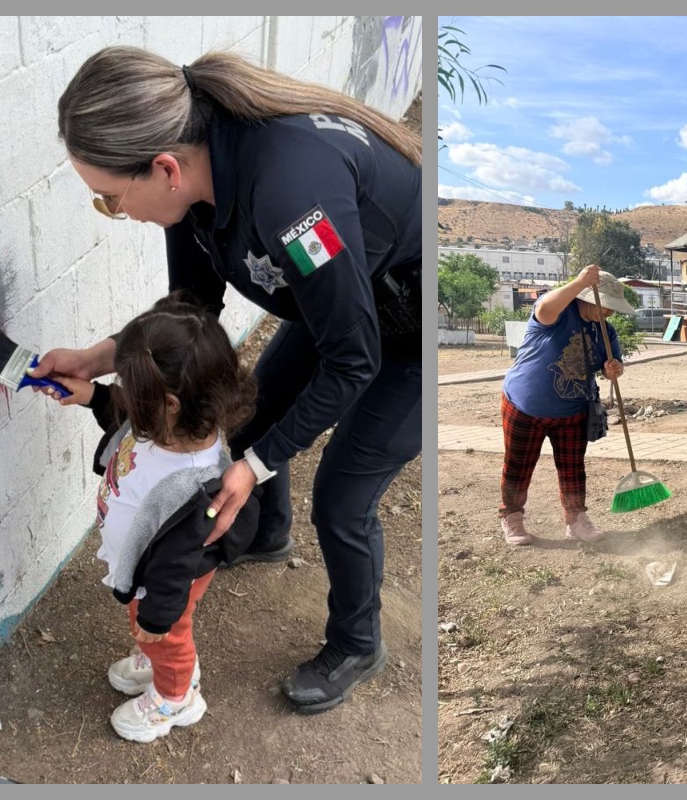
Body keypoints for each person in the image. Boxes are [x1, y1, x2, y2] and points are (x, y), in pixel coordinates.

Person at [30, 45, 422, 714]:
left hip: (413, 330)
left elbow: (352, 357)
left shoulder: (293, 198)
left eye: (110, 199)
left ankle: (358, 642)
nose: (115, 211)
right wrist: (100, 359)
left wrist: (257, 466)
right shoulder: (195, 183)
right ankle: (267, 536)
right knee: (246, 421)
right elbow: (191, 312)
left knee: (341, 495)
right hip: (339, 310)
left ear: (163, 168)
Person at [47, 295, 261, 743]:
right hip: (147, 568)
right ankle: (157, 660)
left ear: (167, 404)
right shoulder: (171, 426)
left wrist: (158, 620)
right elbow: (122, 414)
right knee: (150, 629)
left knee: (166, 635)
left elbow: (176, 567)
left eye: (130, 387)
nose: (122, 392)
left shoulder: (192, 488)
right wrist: (85, 393)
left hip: (164, 583)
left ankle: (175, 696)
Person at [498, 265, 630, 545]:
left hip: (572, 410)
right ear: (586, 297)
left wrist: (613, 369)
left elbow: (611, 367)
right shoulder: (557, 315)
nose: (609, 312)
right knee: (519, 465)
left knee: (572, 468)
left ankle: (576, 521)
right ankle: (512, 519)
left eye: (612, 309)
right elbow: (545, 306)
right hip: (525, 405)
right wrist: (580, 281)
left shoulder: (606, 331)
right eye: (605, 306)